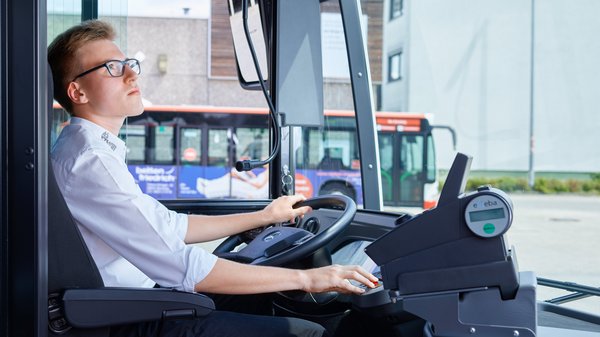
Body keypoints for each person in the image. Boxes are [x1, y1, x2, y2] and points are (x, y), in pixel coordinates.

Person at [47, 20, 377, 337]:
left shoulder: (88, 150)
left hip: (138, 299)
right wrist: (308, 280)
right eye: (113, 68)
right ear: (78, 92)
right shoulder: (91, 161)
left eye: (129, 63)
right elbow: (181, 265)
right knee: (307, 332)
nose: (132, 73)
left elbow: (170, 226)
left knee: (258, 293)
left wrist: (264, 216)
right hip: (128, 316)